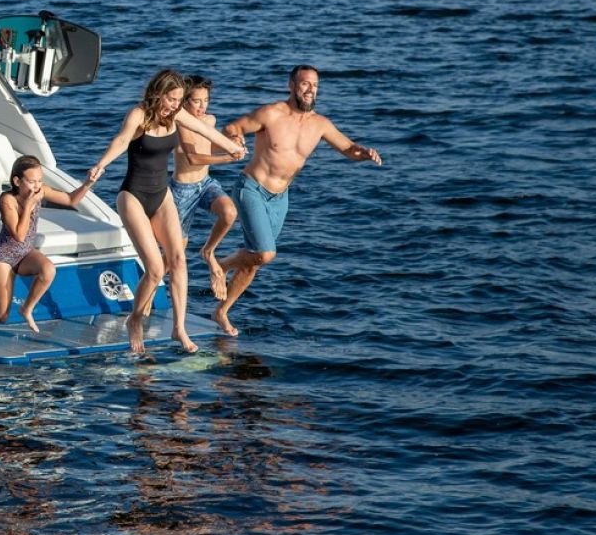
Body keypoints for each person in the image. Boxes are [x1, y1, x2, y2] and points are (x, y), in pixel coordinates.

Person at [213, 64, 383, 336]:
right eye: (305, 84)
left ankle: (221, 311)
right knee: (265, 253)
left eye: (315, 85)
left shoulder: (320, 124)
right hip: (251, 188)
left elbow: (347, 148)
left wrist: (363, 153)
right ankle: (220, 265)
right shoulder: (272, 113)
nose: (310, 89)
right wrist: (236, 139)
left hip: (280, 198)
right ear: (291, 85)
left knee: (256, 259)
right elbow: (233, 126)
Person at [86, 70, 246, 355]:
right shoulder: (138, 114)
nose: (175, 105)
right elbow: (122, 141)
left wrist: (231, 147)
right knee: (156, 269)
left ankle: (179, 328)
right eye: (171, 99)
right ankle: (135, 318)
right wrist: (101, 164)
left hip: (162, 195)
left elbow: (206, 131)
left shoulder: (176, 115)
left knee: (179, 260)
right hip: (133, 196)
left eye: (179, 100)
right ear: (158, 93)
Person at [0, 155, 93, 350]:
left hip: (25, 253)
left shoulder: (40, 191)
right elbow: (19, 235)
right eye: (32, 181)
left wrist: (88, 183)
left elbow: (70, 199)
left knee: (48, 270)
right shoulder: (7, 200)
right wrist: (29, 206)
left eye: (40, 181)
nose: (37, 186)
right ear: (17, 181)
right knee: (1, 315)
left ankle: (27, 308)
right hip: (3, 258)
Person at [172, 75, 242, 300]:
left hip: (205, 184)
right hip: (183, 190)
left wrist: (233, 144)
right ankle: (150, 290)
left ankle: (208, 251)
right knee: (176, 254)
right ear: (184, 101)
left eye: (206, 100)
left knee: (229, 212)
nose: (202, 106)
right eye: (196, 101)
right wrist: (228, 157)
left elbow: (209, 148)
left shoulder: (210, 120)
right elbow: (193, 158)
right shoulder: (180, 124)